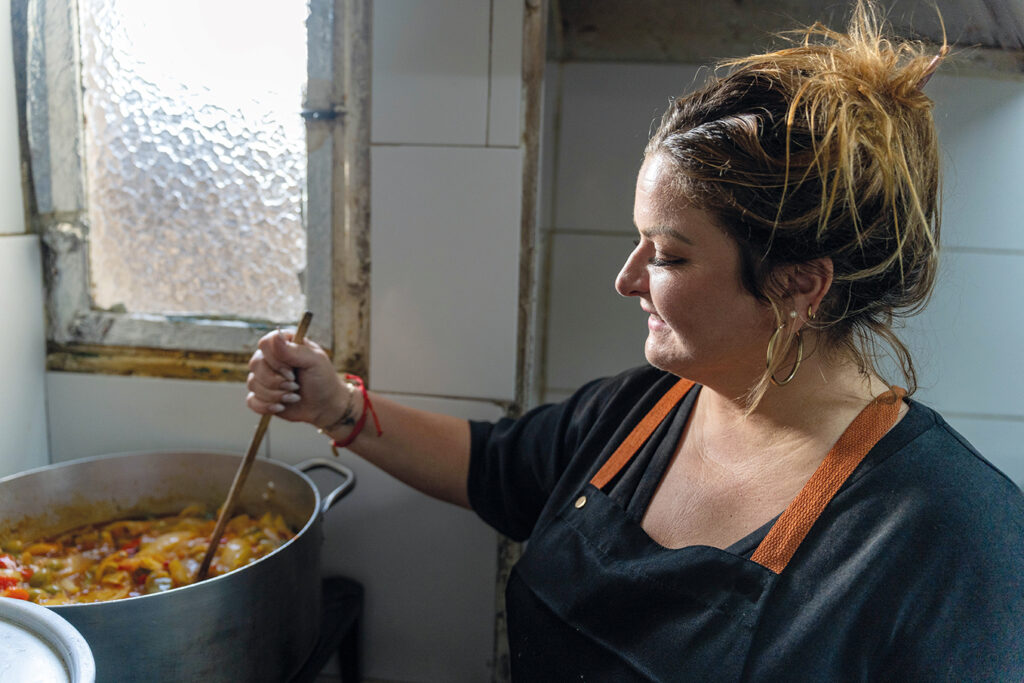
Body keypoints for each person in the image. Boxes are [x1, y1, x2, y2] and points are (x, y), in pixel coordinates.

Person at [246, 2, 1024, 679]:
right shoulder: (641, 413)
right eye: (638, 241)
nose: (626, 279)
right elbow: (491, 463)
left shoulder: (957, 540)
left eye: (670, 254)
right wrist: (336, 406)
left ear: (798, 283)